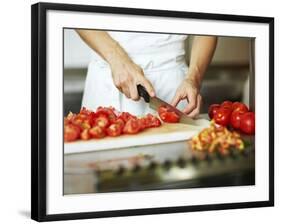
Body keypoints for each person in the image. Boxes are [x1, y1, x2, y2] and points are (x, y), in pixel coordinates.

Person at [76, 30, 217, 118]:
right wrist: (117, 58)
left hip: (174, 88)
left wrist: (194, 78)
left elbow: (211, 22)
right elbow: (77, 9)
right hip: (108, 76)